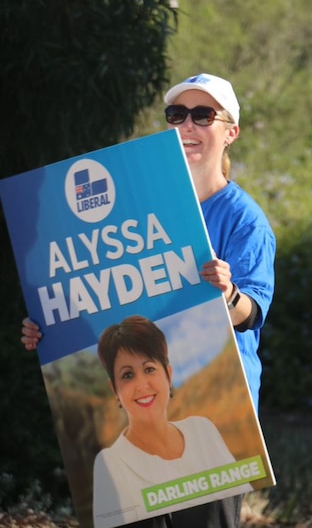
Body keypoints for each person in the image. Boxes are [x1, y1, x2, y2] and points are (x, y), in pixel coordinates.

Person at [22, 73, 276, 527]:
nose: (188, 126)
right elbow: (104, 299)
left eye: (203, 115)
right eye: (177, 115)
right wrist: (49, 326)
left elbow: (250, 314)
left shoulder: (245, 220)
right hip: (135, 436)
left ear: (230, 131)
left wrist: (228, 292)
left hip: (220, 408)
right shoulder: (134, 209)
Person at [91, 316, 249, 528]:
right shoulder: (110, 463)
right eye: (127, 375)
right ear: (115, 391)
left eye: (149, 369)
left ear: (168, 374)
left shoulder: (202, 431)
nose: (142, 385)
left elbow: (230, 510)